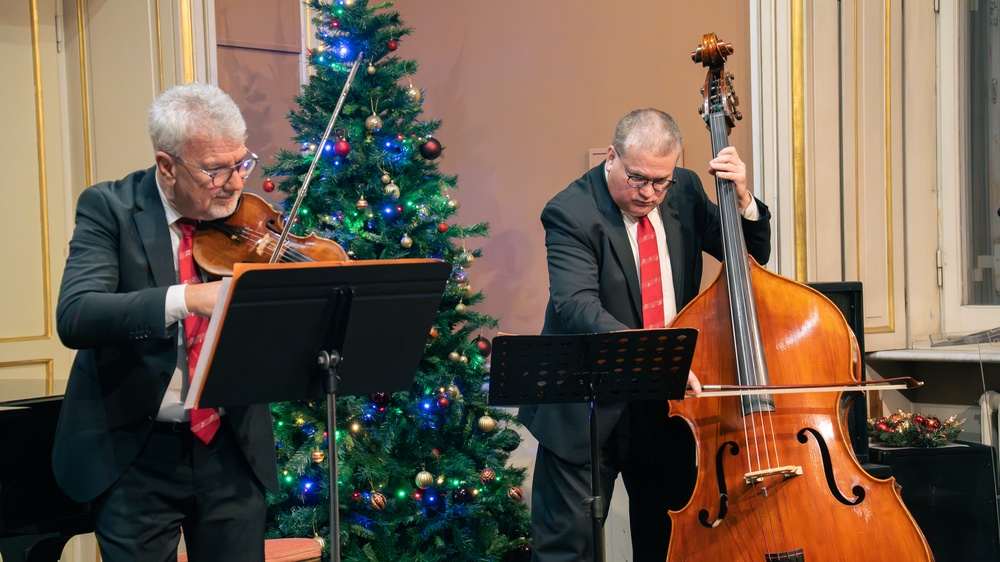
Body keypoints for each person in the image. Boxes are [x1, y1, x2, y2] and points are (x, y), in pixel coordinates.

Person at [518, 108, 772, 561]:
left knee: (668, 544)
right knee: (566, 551)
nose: (650, 193)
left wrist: (742, 201)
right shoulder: (570, 211)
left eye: (661, 181)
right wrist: (656, 358)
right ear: (613, 156)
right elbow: (576, 305)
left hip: (665, 407)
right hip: (587, 405)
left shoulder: (687, 190)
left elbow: (751, 256)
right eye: (637, 179)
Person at [52, 83, 277, 562]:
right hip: (136, 453)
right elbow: (77, 314)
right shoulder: (109, 208)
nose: (235, 183)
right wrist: (188, 298)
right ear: (167, 165)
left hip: (230, 447)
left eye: (241, 163)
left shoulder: (250, 223)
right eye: (215, 170)